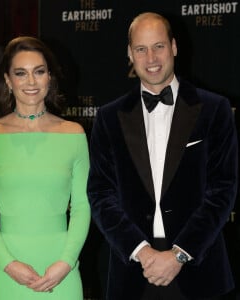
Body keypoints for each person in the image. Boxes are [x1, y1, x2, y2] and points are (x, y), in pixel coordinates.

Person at [87, 12, 238, 300]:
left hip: (200, 271)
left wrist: (179, 255)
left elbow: (222, 190)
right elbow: (101, 193)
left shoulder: (214, 109)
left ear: (174, 47)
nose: (151, 58)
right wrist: (141, 252)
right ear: (130, 54)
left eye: (159, 46)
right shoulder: (109, 117)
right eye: (141, 49)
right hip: (134, 273)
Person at [0, 36, 91, 300]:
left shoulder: (74, 134)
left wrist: (66, 262)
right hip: (8, 271)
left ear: (49, 77)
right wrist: (9, 264)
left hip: (62, 272)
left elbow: (83, 206)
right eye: (21, 73)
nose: (31, 82)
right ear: (8, 81)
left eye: (38, 72)